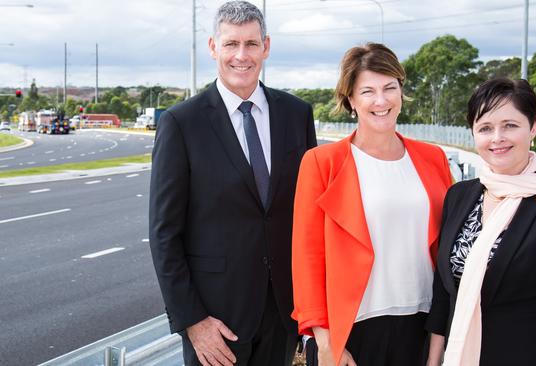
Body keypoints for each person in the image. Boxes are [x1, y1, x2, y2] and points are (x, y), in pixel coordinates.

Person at [149, 1, 317, 365]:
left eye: (251, 44)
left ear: (266, 47)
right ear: (213, 47)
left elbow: (308, 220)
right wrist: (192, 321)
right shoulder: (181, 123)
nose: (242, 55)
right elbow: (164, 235)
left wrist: (311, 313)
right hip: (215, 322)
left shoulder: (297, 114)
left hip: (283, 315)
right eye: (231, 44)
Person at [426, 78, 536, 366]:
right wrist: (433, 359)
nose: (497, 137)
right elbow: (443, 293)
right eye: (485, 128)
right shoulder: (460, 195)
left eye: (510, 125)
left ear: (532, 127)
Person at [291, 43, 453, 366]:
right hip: (349, 330)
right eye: (368, 91)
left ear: (401, 91)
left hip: (422, 327)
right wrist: (326, 342)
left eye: (389, 88)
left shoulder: (433, 159)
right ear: (351, 99)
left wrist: (443, 336)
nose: (381, 101)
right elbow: (307, 257)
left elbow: (449, 247)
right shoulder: (322, 163)